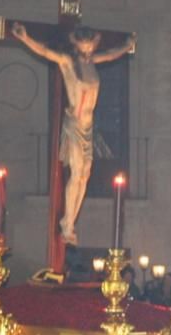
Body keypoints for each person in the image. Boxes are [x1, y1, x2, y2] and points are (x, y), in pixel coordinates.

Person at [11, 21, 136, 246]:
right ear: (77, 45)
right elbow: (46, 52)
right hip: (75, 124)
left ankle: (71, 220)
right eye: (84, 47)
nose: (88, 51)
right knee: (77, 172)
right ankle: (67, 223)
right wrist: (25, 38)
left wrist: (127, 46)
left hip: (89, 127)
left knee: (85, 176)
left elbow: (110, 55)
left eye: (91, 47)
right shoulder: (68, 62)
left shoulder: (93, 62)